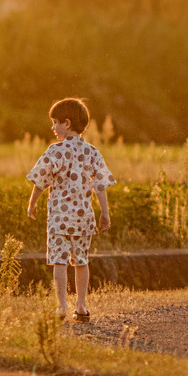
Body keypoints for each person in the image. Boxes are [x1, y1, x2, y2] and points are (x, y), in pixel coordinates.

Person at [25, 97, 114, 322]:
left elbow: (41, 180)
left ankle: (62, 306)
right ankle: (81, 307)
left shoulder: (56, 151)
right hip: (84, 218)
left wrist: (32, 202)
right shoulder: (92, 152)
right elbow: (100, 185)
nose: (53, 127)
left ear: (66, 123)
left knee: (60, 261)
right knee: (81, 261)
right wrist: (105, 212)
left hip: (59, 218)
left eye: (55, 122)